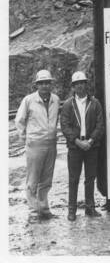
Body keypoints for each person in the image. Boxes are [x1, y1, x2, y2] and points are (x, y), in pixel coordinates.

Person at [15, 69, 60, 221]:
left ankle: (44, 208)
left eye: (47, 83)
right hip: (35, 143)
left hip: (51, 143)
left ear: (51, 84)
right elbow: (19, 120)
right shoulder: (29, 100)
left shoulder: (56, 99)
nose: (45, 86)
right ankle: (34, 210)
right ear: (37, 85)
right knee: (33, 178)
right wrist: (25, 138)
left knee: (47, 179)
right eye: (42, 83)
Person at [60, 71, 104, 221]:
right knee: (73, 179)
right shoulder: (67, 105)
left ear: (86, 84)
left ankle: (90, 208)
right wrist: (77, 141)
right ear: (73, 87)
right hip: (75, 147)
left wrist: (90, 141)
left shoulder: (95, 103)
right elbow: (64, 126)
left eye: (82, 83)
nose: (80, 86)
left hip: (91, 146)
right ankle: (71, 210)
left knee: (90, 178)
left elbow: (100, 125)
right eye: (76, 84)